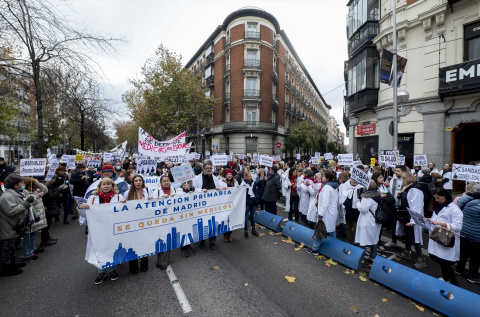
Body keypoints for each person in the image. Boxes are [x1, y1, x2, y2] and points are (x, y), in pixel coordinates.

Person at [78, 178, 122, 285]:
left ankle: (111, 270)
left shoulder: (119, 197)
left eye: (108, 184)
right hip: (96, 229)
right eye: (104, 184)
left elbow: (123, 212)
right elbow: (85, 215)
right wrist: (82, 208)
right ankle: (100, 271)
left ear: (112, 186)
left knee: (111, 249)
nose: (106, 186)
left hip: (111, 228)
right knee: (98, 249)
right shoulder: (93, 198)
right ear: (100, 186)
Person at [427, 188, 463, 285]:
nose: (436, 200)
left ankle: (455, 285)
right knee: (440, 261)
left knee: (445, 264)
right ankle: (445, 279)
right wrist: (429, 220)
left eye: (438, 198)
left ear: (445, 197)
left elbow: (458, 227)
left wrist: (441, 223)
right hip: (438, 238)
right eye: (435, 198)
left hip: (447, 239)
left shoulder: (455, 210)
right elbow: (436, 219)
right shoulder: (439, 206)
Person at [0, 174, 34, 276]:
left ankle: (11, 264)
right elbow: (11, 211)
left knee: (12, 247)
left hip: (14, 226)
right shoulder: (7, 197)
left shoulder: (16, 194)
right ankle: (6, 269)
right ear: (15, 185)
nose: (23, 184)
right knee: (7, 248)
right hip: (8, 227)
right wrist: (26, 203)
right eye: (22, 183)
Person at [120, 174, 152, 273]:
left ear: (143, 182)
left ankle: (144, 263)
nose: (138, 182)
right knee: (132, 244)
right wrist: (123, 203)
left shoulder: (147, 191)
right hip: (132, 222)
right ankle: (133, 266)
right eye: (136, 180)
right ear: (133, 182)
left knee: (144, 243)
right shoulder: (127, 193)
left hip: (144, 221)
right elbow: (122, 207)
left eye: (140, 180)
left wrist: (152, 200)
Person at [396, 172, 427, 269]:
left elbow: (416, 206)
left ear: (407, 179)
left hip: (411, 218)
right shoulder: (409, 188)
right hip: (406, 216)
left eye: (403, 179)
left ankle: (420, 258)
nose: (402, 181)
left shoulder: (415, 189)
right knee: (408, 236)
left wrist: (413, 220)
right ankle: (407, 251)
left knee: (414, 238)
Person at [192, 162, 223, 250]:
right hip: (202, 205)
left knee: (213, 224)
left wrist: (219, 188)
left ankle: (212, 242)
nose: (209, 169)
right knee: (202, 224)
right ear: (204, 169)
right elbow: (193, 188)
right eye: (208, 168)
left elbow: (219, 187)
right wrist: (201, 190)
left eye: (210, 168)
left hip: (213, 205)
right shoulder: (198, 178)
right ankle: (202, 241)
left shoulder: (215, 178)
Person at [306, 172, 338, 255]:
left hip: (326, 212)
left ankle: (315, 249)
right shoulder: (334, 186)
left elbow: (325, 203)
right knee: (332, 229)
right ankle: (335, 247)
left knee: (320, 229)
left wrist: (320, 214)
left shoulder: (327, 187)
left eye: (323, 177)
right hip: (332, 211)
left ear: (327, 179)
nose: (322, 178)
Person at [455, 184, 480, 284]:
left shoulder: (464, 199)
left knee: (463, 253)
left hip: (463, 231)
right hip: (476, 235)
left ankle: (459, 269)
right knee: (475, 257)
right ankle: (472, 276)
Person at [20, 178, 48, 261]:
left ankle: (32, 248)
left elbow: (45, 190)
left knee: (33, 234)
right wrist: (37, 196)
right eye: (34, 184)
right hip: (31, 215)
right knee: (28, 236)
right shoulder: (25, 192)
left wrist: (39, 183)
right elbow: (28, 203)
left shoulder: (36, 189)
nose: (36, 185)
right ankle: (26, 254)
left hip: (37, 215)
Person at [355, 180, 382, 261]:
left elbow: (363, 209)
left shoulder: (367, 197)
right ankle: (373, 256)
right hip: (375, 220)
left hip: (367, 220)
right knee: (374, 239)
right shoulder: (377, 195)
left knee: (363, 239)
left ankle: (360, 259)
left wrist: (358, 202)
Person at [176, 180, 200, 257]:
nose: (186, 184)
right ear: (182, 184)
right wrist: (186, 194)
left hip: (191, 214)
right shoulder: (179, 190)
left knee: (189, 230)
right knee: (183, 231)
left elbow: (202, 191)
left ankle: (188, 245)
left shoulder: (194, 189)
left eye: (188, 183)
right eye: (184, 183)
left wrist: (203, 190)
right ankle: (183, 249)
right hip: (182, 215)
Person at [338, 175, 364, 244]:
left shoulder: (361, 188)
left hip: (356, 212)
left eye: (357, 180)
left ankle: (356, 241)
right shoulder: (345, 187)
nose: (355, 181)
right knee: (347, 227)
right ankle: (349, 240)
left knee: (356, 229)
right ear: (350, 179)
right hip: (347, 211)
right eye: (354, 179)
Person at [384, 165, 405, 248]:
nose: (396, 172)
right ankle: (394, 240)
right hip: (393, 205)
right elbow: (389, 192)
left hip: (402, 206)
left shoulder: (406, 180)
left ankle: (406, 244)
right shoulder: (393, 179)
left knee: (403, 225)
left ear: (403, 172)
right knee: (393, 224)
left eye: (398, 171)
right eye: (395, 171)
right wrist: (388, 186)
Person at [41, 176, 62, 247]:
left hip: (49, 207)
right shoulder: (46, 187)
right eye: (54, 179)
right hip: (48, 207)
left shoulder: (49, 186)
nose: (54, 180)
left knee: (48, 224)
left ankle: (47, 238)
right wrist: (59, 189)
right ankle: (44, 240)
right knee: (46, 225)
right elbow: (51, 197)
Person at [241, 171, 259, 238]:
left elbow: (255, 191)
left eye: (250, 176)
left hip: (253, 201)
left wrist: (257, 198)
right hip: (246, 202)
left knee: (253, 216)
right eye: (249, 176)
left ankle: (253, 229)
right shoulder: (243, 184)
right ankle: (245, 231)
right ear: (245, 177)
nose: (250, 177)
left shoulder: (253, 182)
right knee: (246, 217)